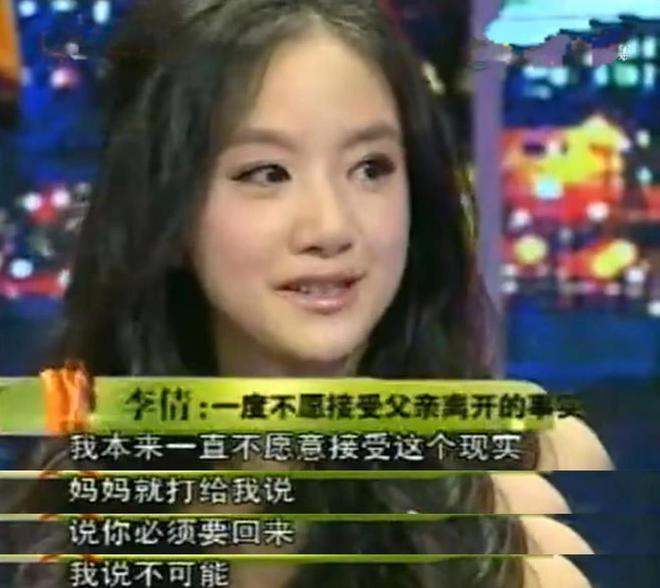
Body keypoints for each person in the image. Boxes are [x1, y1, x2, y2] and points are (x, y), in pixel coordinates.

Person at [6, 1, 612, 587]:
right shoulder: (84, 519)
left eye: (371, 168)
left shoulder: (499, 548)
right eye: (267, 173)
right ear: (167, 207)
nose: (331, 226)